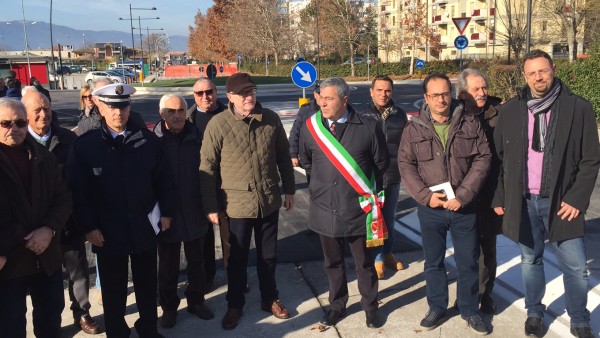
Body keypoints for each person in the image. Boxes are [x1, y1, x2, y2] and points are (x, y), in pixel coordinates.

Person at [492, 50, 600, 338]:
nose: (538, 77)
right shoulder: (511, 110)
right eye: (532, 73)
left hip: (562, 202)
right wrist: (501, 197)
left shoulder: (578, 108)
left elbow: (591, 159)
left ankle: (579, 319)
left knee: (577, 268)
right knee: (531, 260)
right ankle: (535, 313)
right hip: (524, 200)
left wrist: (577, 198)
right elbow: (501, 160)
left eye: (543, 71)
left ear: (553, 68)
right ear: (524, 76)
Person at [67, 83, 176, 338]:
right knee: (114, 291)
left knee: (147, 286)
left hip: (144, 227)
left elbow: (165, 181)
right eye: (112, 107)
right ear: (100, 107)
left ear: (129, 107)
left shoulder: (148, 141)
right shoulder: (85, 147)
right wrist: (89, 227)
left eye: (123, 106)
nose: (119, 112)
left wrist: (168, 213)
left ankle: (148, 329)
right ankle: (117, 332)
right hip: (107, 232)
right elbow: (77, 192)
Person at [200, 73, 295, 330]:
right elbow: (207, 167)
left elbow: (284, 159)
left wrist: (289, 190)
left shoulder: (271, 120)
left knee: (269, 256)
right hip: (236, 204)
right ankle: (235, 304)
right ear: (230, 97)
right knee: (237, 258)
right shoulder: (218, 124)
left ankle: (269, 298)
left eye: (251, 91)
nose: (249, 96)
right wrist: (211, 207)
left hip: (268, 199)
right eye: (243, 93)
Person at [398, 73, 491, 335]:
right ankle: (437, 306)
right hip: (431, 209)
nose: (441, 99)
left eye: (445, 93)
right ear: (426, 97)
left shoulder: (470, 123)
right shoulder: (413, 128)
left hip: (463, 207)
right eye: (435, 94)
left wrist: (463, 195)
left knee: (468, 261)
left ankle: (470, 309)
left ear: (451, 94)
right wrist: (426, 196)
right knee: (433, 262)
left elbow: (483, 158)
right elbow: (406, 165)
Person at [299, 77, 389, 329]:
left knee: (364, 264)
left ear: (345, 100)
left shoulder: (368, 126)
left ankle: (370, 308)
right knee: (332, 264)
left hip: (358, 210)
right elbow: (306, 162)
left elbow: (381, 164)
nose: (323, 104)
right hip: (325, 209)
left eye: (329, 99)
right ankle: (337, 306)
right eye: (320, 98)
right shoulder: (310, 127)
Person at [22, 91, 102, 335]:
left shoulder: (68, 139)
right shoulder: (17, 142)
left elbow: (80, 182)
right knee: (43, 283)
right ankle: (47, 324)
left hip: (68, 224)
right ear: (24, 113)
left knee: (78, 273)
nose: (43, 114)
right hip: (34, 231)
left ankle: (82, 313)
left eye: (46, 108)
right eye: (36, 109)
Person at [0, 97, 72, 338]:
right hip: (7, 261)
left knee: (51, 319)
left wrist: (49, 229)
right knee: (10, 325)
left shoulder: (44, 157)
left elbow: (63, 200)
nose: (14, 129)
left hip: (45, 257)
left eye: (20, 122)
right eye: (5, 123)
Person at [154, 94, 214, 328]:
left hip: (194, 211)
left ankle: (196, 301)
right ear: (162, 114)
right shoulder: (152, 142)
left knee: (197, 263)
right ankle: (169, 307)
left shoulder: (198, 137)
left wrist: (210, 206)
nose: (177, 115)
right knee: (167, 267)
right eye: (171, 111)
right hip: (166, 216)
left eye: (181, 110)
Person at [456, 68, 503, 315]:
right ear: (463, 94)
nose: (483, 93)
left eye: (484, 88)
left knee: (487, 249)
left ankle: (485, 295)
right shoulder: (454, 114)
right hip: (462, 193)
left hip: (490, 194)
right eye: (477, 89)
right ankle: (465, 295)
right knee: (465, 251)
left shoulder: (499, 114)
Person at [361, 75, 408, 280]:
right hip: (369, 177)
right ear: (371, 92)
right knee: (373, 219)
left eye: (387, 90)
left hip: (393, 174)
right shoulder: (361, 114)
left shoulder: (400, 115)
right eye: (379, 90)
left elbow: (405, 145)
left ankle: (387, 253)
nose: (383, 94)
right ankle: (376, 258)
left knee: (389, 218)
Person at [186, 77, 228, 292]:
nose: (205, 97)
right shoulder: (188, 120)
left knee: (232, 237)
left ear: (216, 92)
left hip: (229, 184)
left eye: (209, 92)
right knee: (203, 239)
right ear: (194, 96)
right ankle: (207, 277)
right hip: (200, 186)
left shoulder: (230, 114)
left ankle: (235, 276)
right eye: (199, 93)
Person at [77, 77, 145, 135]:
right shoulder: (85, 125)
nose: (118, 112)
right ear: (94, 98)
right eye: (100, 94)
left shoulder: (135, 118)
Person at [289, 81, 321, 170]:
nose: (321, 97)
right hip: (310, 158)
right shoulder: (306, 110)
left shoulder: (336, 110)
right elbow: (295, 132)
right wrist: (293, 154)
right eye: (319, 93)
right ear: (315, 94)